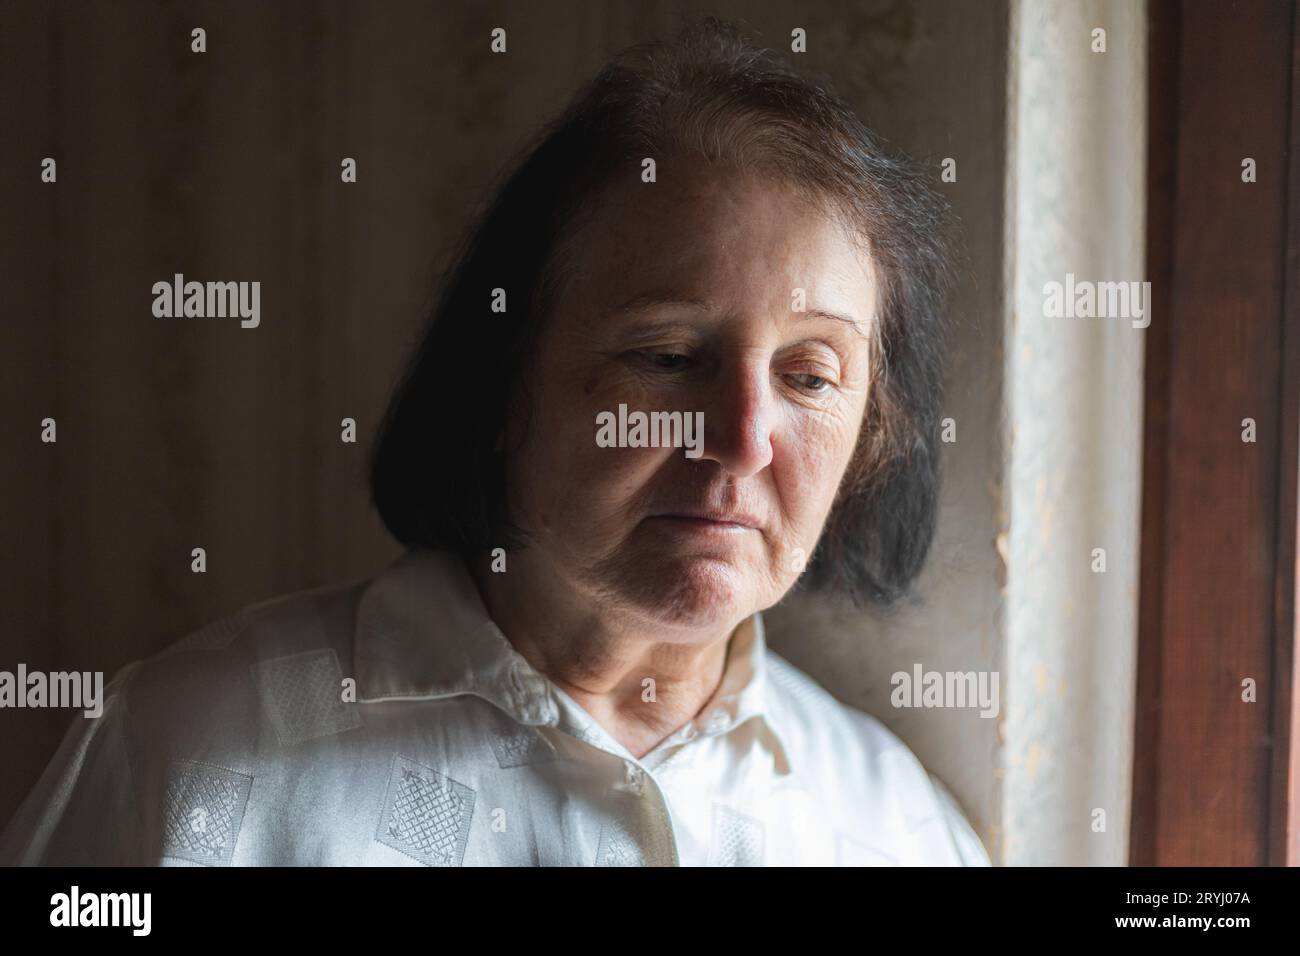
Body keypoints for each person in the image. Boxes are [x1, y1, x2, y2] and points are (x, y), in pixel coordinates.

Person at [0, 19, 989, 866]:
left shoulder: (893, 824)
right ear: (506, 379)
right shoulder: (200, 756)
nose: (739, 440)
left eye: (808, 375)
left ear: (872, 431)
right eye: (666, 354)